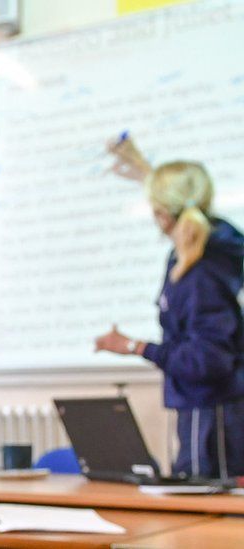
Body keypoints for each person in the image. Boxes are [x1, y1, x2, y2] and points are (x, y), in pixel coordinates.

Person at [96, 137, 244, 479]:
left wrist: (138, 347)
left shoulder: (200, 272)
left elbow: (208, 360)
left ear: (161, 214)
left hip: (212, 418)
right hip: (208, 410)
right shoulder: (203, 253)